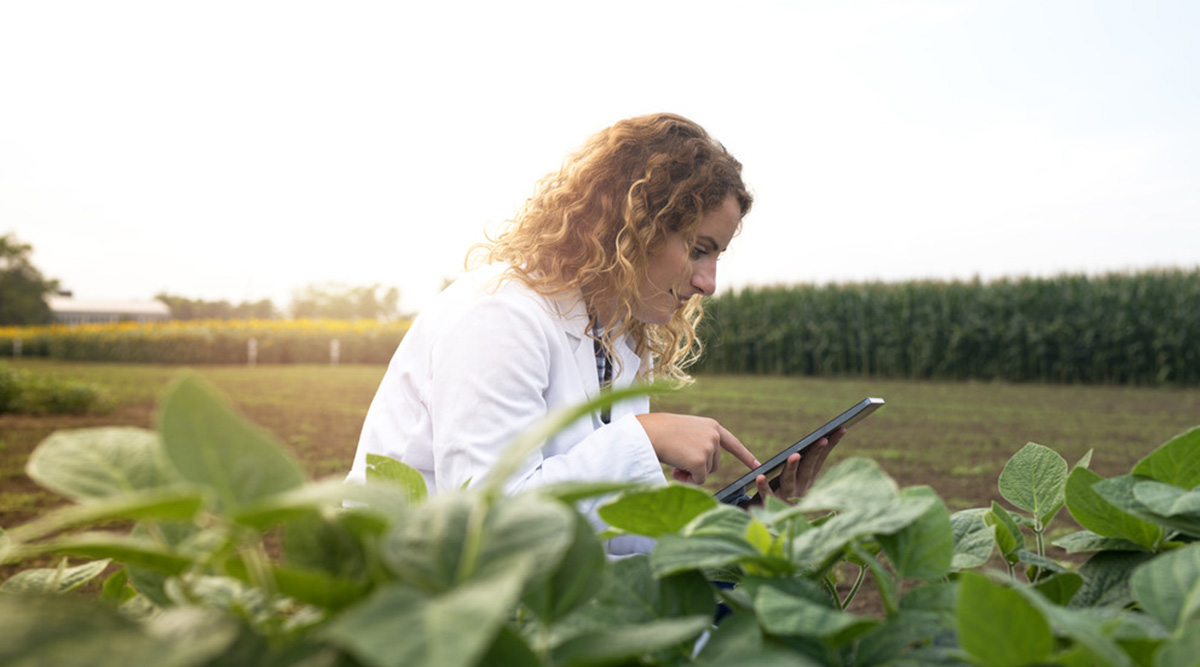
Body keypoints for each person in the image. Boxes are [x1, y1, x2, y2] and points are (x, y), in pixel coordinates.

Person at [346, 113, 842, 554]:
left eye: (716, 256)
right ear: (635, 226)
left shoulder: (621, 337)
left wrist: (743, 520)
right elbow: (489, 523)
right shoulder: (499, 315)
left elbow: (596, 527)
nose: (708, 283)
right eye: (698, 249)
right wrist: (643, 438)